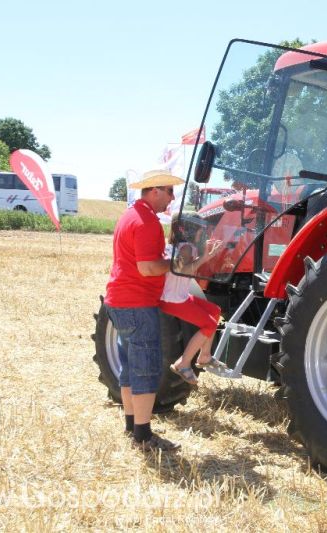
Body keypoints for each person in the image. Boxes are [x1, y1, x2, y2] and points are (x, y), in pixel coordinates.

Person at [104, 169, 183, 453]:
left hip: (117, 301)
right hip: (137, 303)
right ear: (154, 191)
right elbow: (147, 268)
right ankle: (144, 435)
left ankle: (131, 425)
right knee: (146, 369)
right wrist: (176, 263)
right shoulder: (148, 221)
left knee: (129, 367)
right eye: (169, 192)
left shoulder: (129, 215)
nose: (172, 199)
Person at [161, 219, 227, 385]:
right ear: (188, 231)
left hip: (178, 296)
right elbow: (183, 270)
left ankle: (204, 355)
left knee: (215, 310)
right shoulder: (187, 248)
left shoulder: (179, 246)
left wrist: (207, 255)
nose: (202, 233)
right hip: (173, 300)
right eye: (199, 230)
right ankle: (182, 363)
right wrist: (205, 257)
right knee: (210, 324)